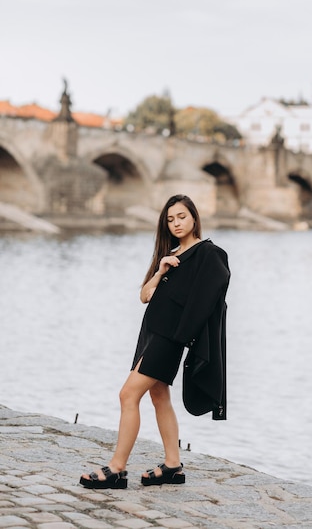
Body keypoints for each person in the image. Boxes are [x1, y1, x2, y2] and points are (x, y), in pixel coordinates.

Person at [80, 194, 230, 489]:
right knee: (158, 395)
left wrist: (185, 337)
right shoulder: (171, 257)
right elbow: (144, 296)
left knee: (127, 395)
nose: (176, 223)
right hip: (151, 335)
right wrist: (161, 270)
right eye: (170, 219)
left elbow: (214, 291)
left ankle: (116, 469)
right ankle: (173, 465)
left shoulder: (208, 253)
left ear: (195, 218)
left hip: (168, 338)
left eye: (182, 217)